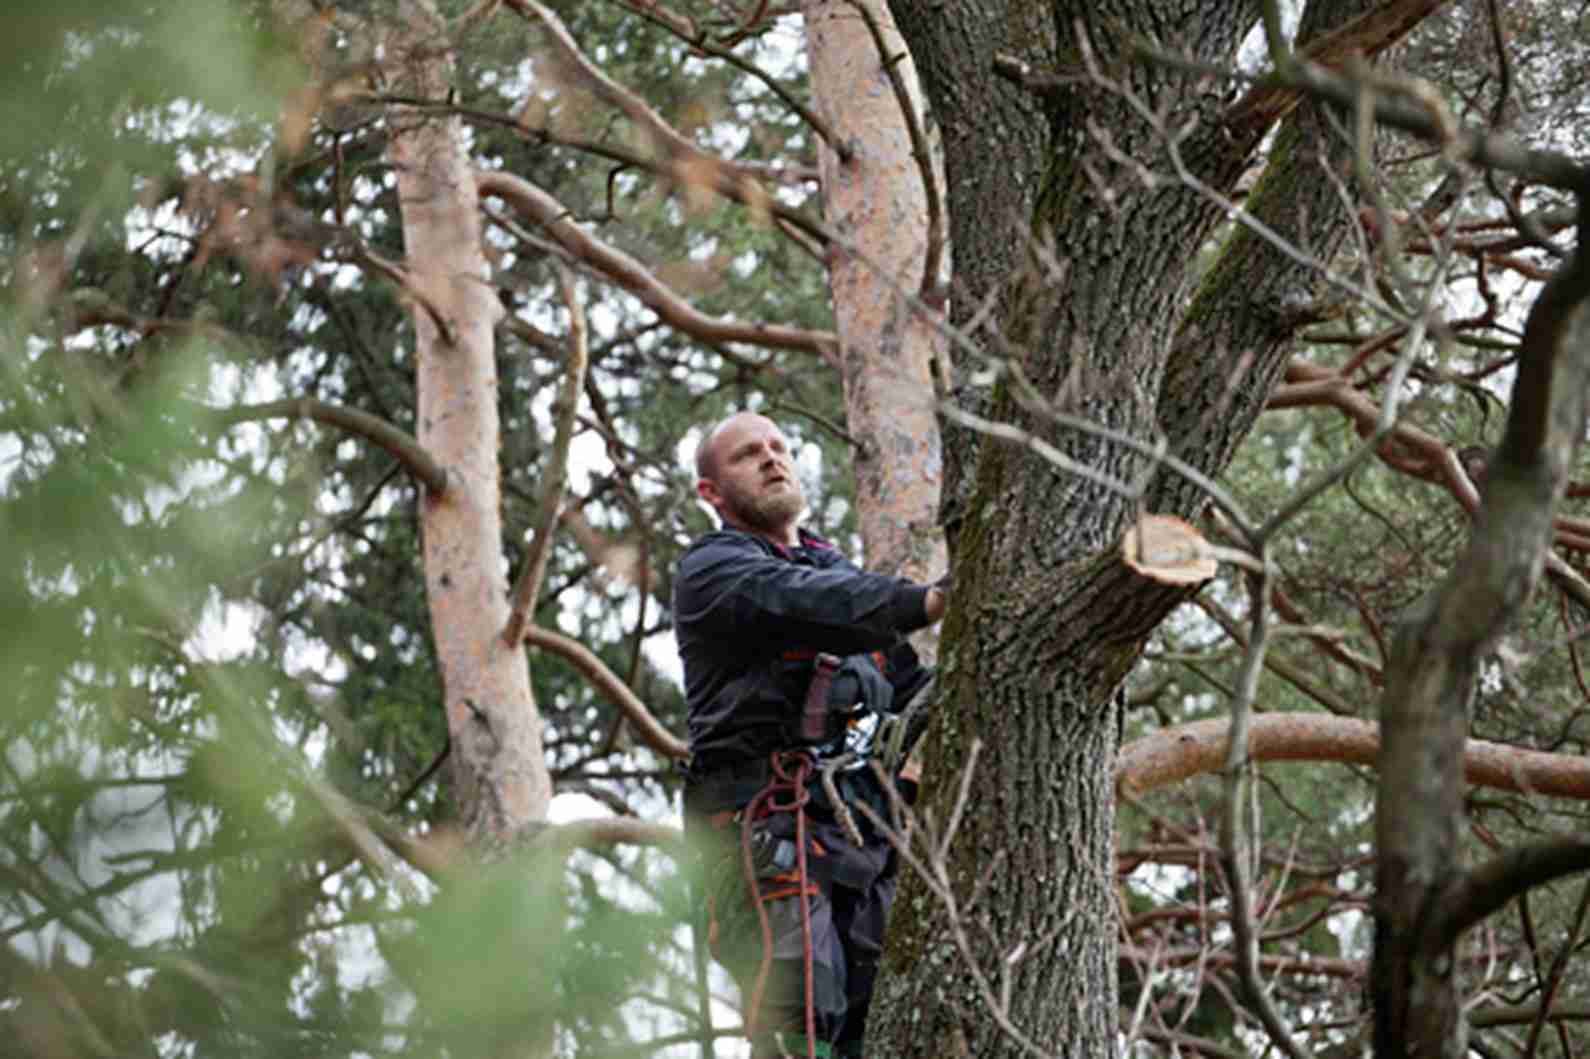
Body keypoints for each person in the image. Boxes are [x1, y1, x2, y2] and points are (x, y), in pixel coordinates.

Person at [673, 412, 946, 1059]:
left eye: (779, 447)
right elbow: (804, 600)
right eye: (748, 454)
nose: (771, 459)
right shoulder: (715, 572)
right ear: (711, 492)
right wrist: (925, 603)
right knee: (803, 1024)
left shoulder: (833, 571)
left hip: (863, 847)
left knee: (887, 1032)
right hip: (772, 836)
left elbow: (910, 685)